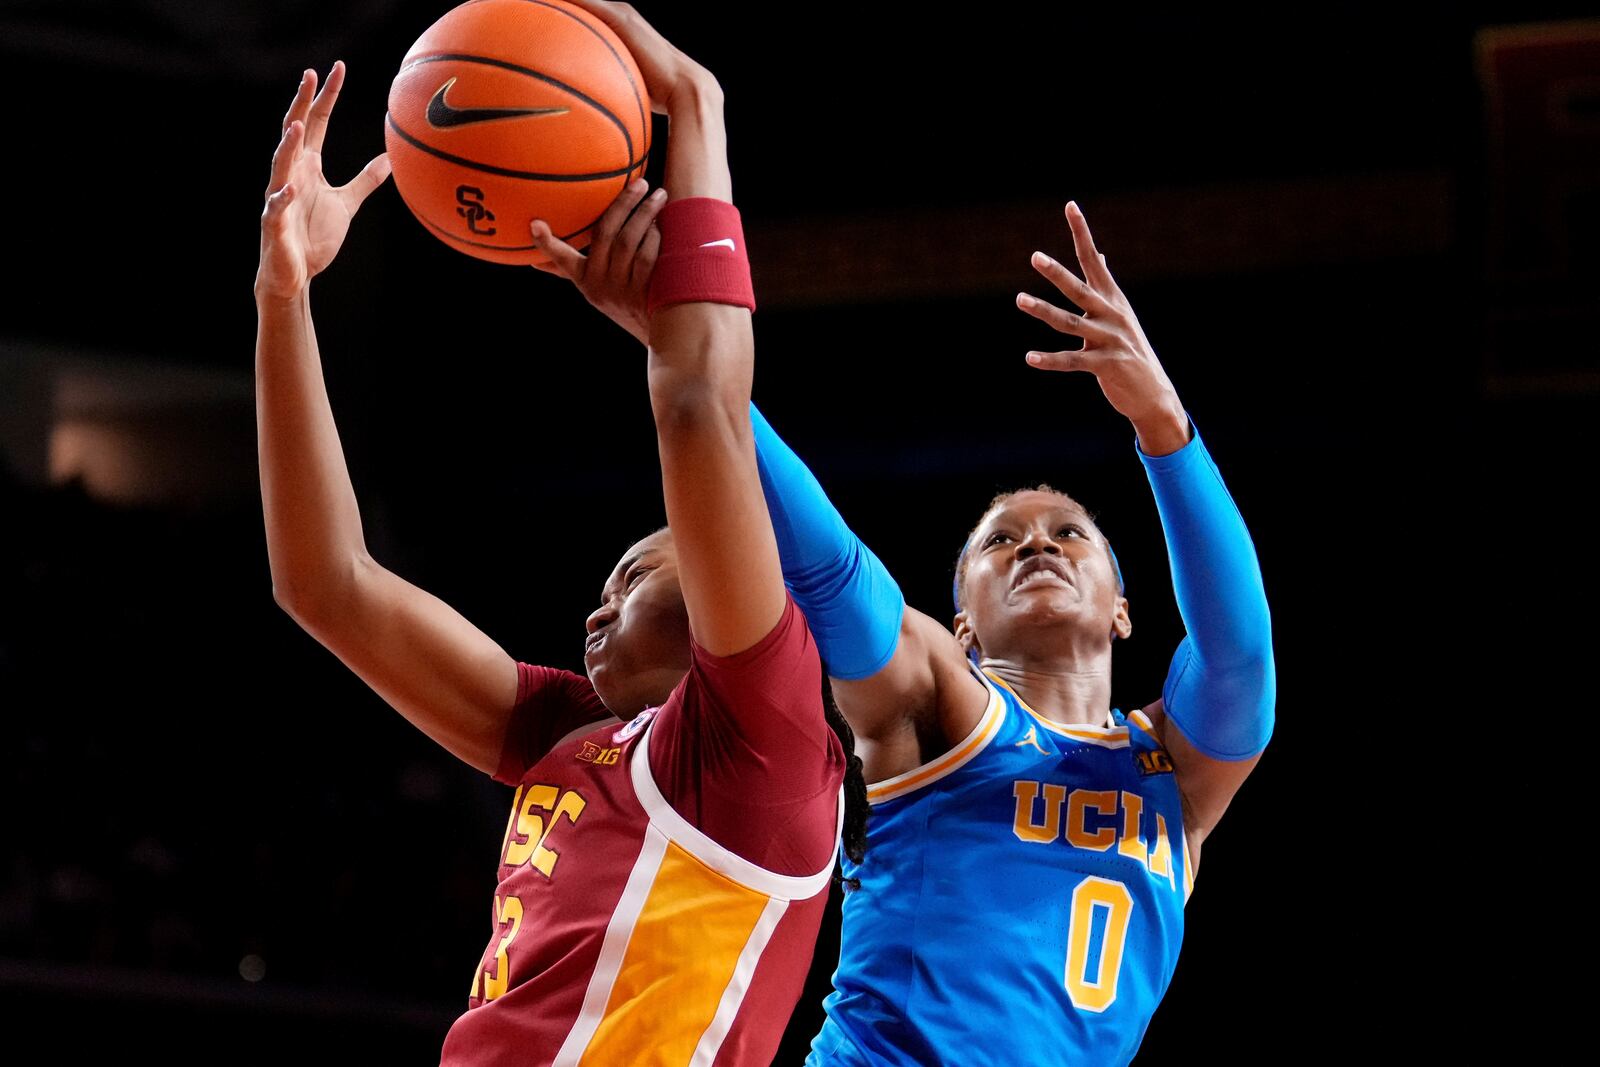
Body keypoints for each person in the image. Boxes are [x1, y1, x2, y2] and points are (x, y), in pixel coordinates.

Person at [252, 4, 865, 1061]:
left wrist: (697, 110)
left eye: (632, 573)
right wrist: (284, 297)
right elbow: (326, 585)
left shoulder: (765, 740)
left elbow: (696, 410)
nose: (596, 601)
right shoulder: (572, 736)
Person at [535, 187, 1274, 1061]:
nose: (1038, 543)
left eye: (1070, 531)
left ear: (1121, 607)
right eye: (1000, 541)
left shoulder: (1175, 772)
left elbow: (1240, 654)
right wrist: (687, 353)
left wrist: (1162, 423)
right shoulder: (936, 699)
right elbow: (827, 565)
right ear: (962, 625)